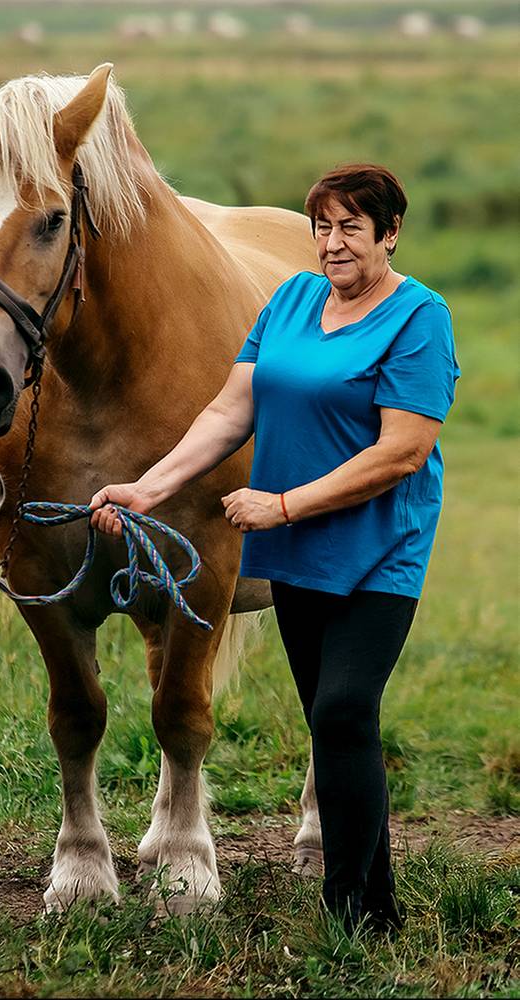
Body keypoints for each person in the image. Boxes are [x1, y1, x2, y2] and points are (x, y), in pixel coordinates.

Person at [89, 163, 460, 933]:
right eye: (321, 227)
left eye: (351, 229)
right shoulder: (291, 300)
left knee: (346, 708)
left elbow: (400, 451)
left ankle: (348, 909)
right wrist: (148, 488)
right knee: (332, 724)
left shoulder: (420, 317)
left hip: (378, 547)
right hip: (296, 553)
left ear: (390, 234)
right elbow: (231, 409)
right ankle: (374, 903)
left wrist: (282, 502)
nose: (331, 244)